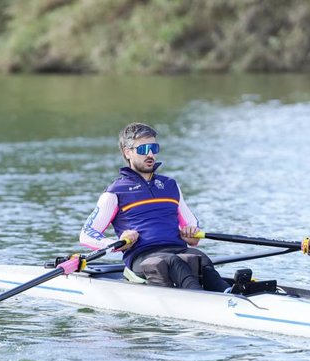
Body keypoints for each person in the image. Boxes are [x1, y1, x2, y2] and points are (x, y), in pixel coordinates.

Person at [80, 122, 230, 292]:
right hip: (143, 257)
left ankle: (228, 293)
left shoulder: (170, 185)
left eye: (154, 148)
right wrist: (115, 243)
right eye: (143, 149)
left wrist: (192, 233)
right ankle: (201, 298)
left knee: (199, 257)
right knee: (171, 262)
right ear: (127, 152)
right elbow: (86, 234)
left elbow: (192, 225)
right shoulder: (115, 192)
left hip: (177, 248)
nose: (150, 154)